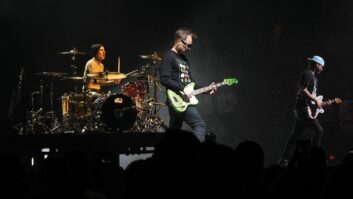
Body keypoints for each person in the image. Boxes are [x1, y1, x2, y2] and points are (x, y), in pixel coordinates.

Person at [159, 27, 216, 142]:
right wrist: (182, 89)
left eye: (191, 46)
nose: (189, 48)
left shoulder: (184, 59)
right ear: (179, 40)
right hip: (176, 99)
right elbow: (164, 79)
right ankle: (196, 155)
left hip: (182, 100)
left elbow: (190, 83)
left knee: (173, 133)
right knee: (199, 125)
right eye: (188, 45)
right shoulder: (168, 57)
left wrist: (206, 89)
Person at [278, 55, 326, 166]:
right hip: (303, 109)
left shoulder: (314, 78)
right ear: (317, 65)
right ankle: (314, 158)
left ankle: (284, 159)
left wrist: (318, 104)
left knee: (295, 135)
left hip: (305, 109)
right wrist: (315, 100)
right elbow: (303, 91)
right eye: (322, 66)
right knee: (319, 131)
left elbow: (312, 96)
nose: (322, 69)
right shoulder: (308, 74)